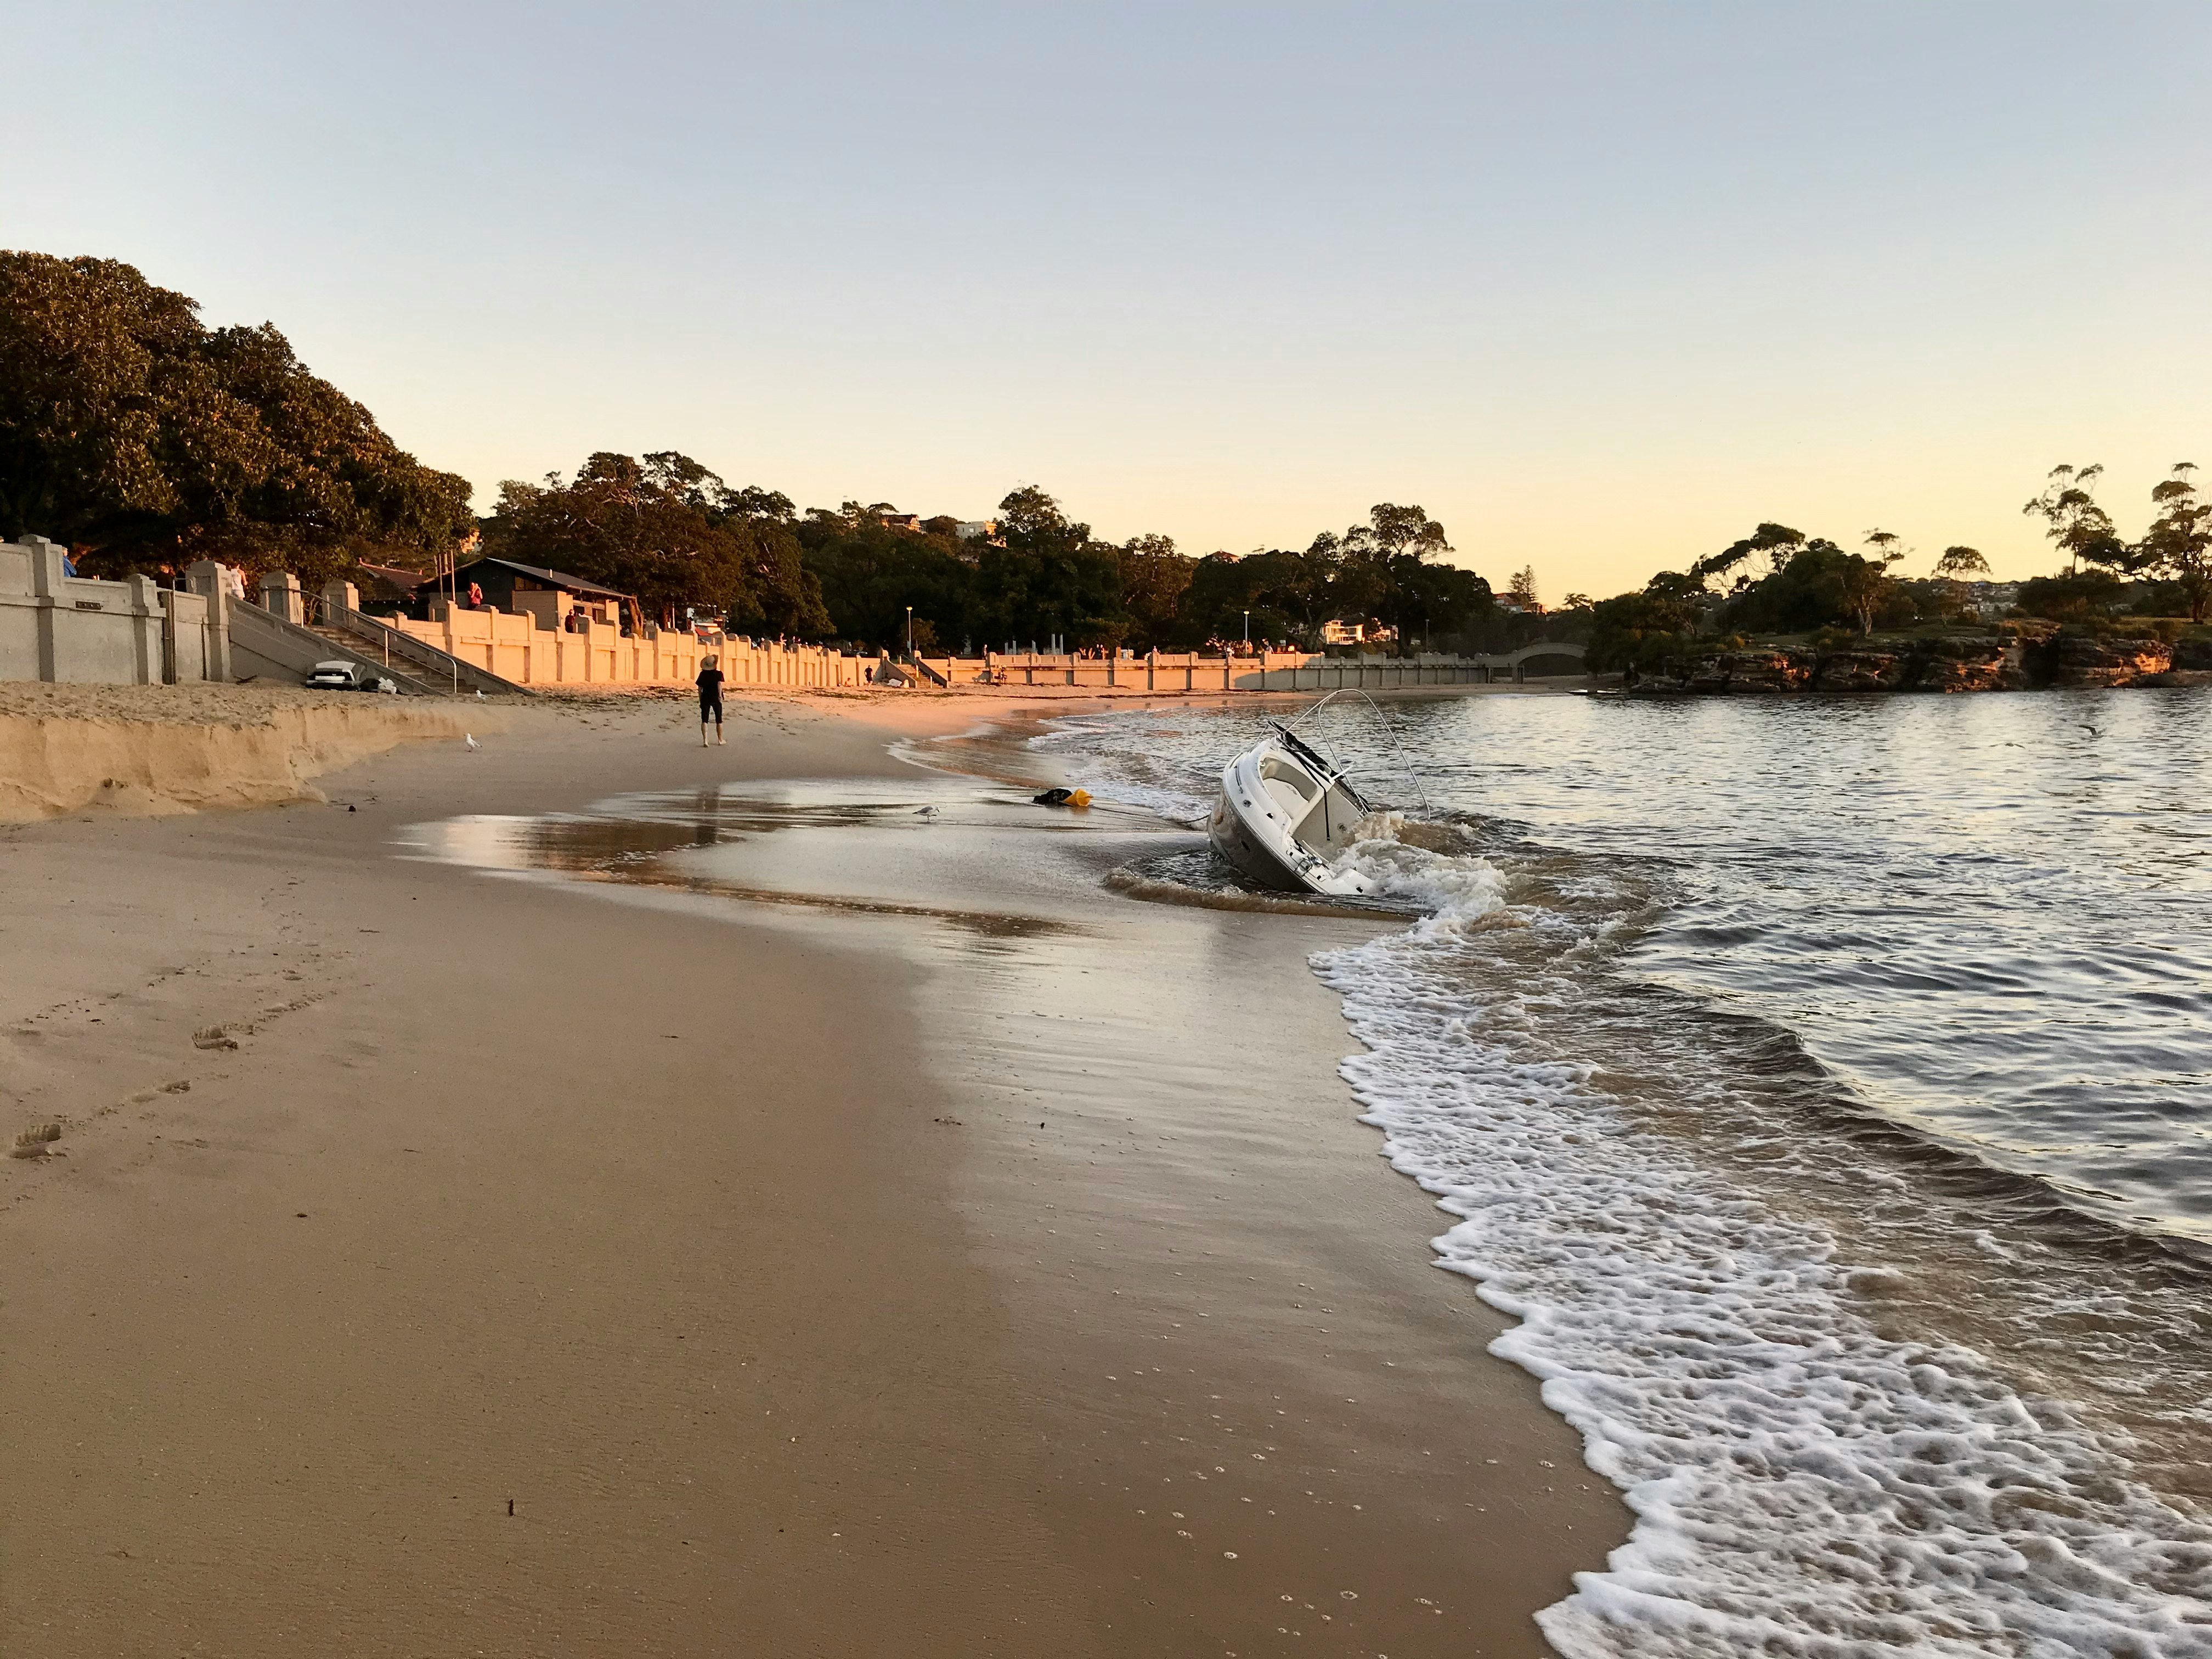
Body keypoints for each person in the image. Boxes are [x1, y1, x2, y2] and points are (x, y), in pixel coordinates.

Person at [696, 654, 725, 746]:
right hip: (715, 697)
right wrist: (720, 696)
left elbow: (700, 689)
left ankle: (705, 741)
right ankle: (720, 740)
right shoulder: (718, 674)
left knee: (704, 719)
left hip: (705, 697)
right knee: (719, 719)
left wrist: (701, 699)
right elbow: (719, 685)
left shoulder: (702, 674)